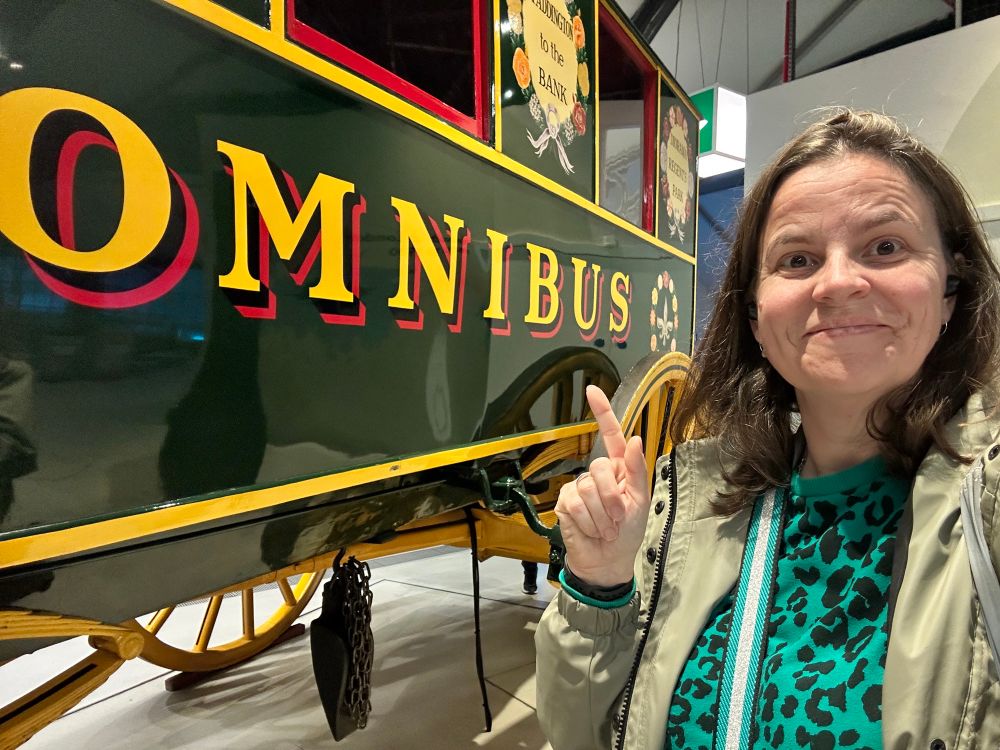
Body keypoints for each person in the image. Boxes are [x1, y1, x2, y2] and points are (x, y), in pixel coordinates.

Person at [534, 110, 1000, 749]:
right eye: (798, 258)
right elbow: (579, 734)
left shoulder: (988, 503)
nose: (837, 282)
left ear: (950, 288)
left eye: (885, 247)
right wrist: (601, 582)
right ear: (755, 315)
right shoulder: (691, 501)